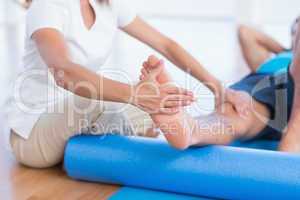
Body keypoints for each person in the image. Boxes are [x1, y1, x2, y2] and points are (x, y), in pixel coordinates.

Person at [8, 0, 229, 168]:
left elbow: (167, 45)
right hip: (33, 137)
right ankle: (143, 126)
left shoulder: (108, 5)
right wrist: (135, 95)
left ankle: (172, 126)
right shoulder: (47, 6)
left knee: (136, 98)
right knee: (98, 99)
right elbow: (63, 72)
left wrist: (219, 89)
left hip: (78, 125)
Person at [140, 17, 300, 152]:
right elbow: (246, 32)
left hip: (289, 85)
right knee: (234, 113)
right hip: (267, 84)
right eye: (294, 31)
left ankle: (183, 130)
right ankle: (190, 129)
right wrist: (287, 49)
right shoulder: (275, 59)